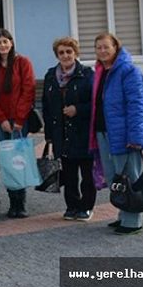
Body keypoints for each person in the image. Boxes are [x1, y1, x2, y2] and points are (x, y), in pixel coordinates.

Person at [89, 32, 143, 235]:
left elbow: (137, 106)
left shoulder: (129, 71)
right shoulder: (101, 71)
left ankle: (133, 221)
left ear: (116, 47)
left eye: (106, 47)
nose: (102, 50)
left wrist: (136, 137)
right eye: (98, 47)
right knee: (115, 177)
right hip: (104, 131)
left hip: (124, 134)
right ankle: (123, 215)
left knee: (131, 176)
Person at [0, 29, 36, 219]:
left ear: (11, 43)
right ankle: (11, 200)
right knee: (7, 161)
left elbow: (28, 90)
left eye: (5, 42)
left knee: (18, 161)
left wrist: (19, 119)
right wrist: (1, 119)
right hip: (0, 122)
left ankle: (20, 203)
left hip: (19, 121)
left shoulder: (22, 62)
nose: (3, 46)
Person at [42, 37, 95, 222]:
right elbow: (46, 108)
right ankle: (72, 206)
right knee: (69, 173)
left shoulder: (87, 74)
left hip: (83, 132)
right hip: (61, 134)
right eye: (61, 52)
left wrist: (78, 109)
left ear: (75, 53)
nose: (65, 55)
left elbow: (96, 104)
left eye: (69, 52)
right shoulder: (50, 76)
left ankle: (86, 207)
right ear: (57, 55)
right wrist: (49, 135)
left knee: (87, 175)